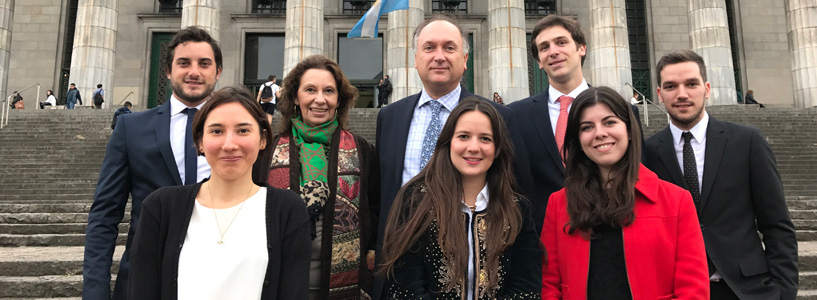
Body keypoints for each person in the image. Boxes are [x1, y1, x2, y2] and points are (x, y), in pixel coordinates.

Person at [373, 14, 534, 297]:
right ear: (415, 58)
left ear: (465, 59)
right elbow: (380, 195)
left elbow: (517, 193)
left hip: (480, 269)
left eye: (449, 48)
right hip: (399, 271)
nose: (439, 56)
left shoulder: (499, 117)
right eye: (429, 47)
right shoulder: (390, 117)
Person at [128, 86, 310, 300]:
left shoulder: (288, 209)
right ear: (200, 142)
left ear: (262, 139)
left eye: (243, 130)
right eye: (216, 131)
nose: (229, 144)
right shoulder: (161, 207)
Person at [643, 50, 798, 299]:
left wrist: (783, 291)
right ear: (660, 94)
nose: (682, 94)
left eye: (691, 84)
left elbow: (776, 224)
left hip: (745, 289)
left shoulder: (747, 142)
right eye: (671, 86)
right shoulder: (647, 153)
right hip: (676, 289)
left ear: (706, 88)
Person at [83, 26, 223, 300]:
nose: (194, 72)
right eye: (184, 63)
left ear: (217, 71)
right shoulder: (130, 128)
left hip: (221, 279)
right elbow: (104, 215)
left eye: (204, 64)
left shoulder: (239, 133)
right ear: (169, 71)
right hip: (145, 281)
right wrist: (95, 292)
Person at [541, 86, 708, 300]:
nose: (600, 133)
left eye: (610, 122)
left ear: (629, 130)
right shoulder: (558, 203)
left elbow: (692, 290)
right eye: (586, 127)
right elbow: (549, 286)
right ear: (578, 140)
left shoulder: (676, 200)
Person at [380, 97, 542, 299]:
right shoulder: (416, 201)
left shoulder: (517, 209)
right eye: (464, 136)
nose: (474, 147)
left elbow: (526, 286)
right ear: (448, 143)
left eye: (485, 138)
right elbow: (405, 285)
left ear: (498, 148)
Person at [252, 55, 378, 299]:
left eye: (329, 91)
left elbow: (375, 209)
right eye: (310, 90)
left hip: (346, 287)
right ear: (296, 97)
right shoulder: (267, 151)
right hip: (279, 286)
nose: (320, 99)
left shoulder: (361, 150)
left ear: (339, 100)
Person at [508, 15, 642, 231]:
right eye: (544, 47)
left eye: (561, 42)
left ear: (581, 48)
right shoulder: (515, 115)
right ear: (539, 62)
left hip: (611, 229)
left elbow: (635, 174)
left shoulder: (623, 112)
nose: (553, 51)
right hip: (542, 238)